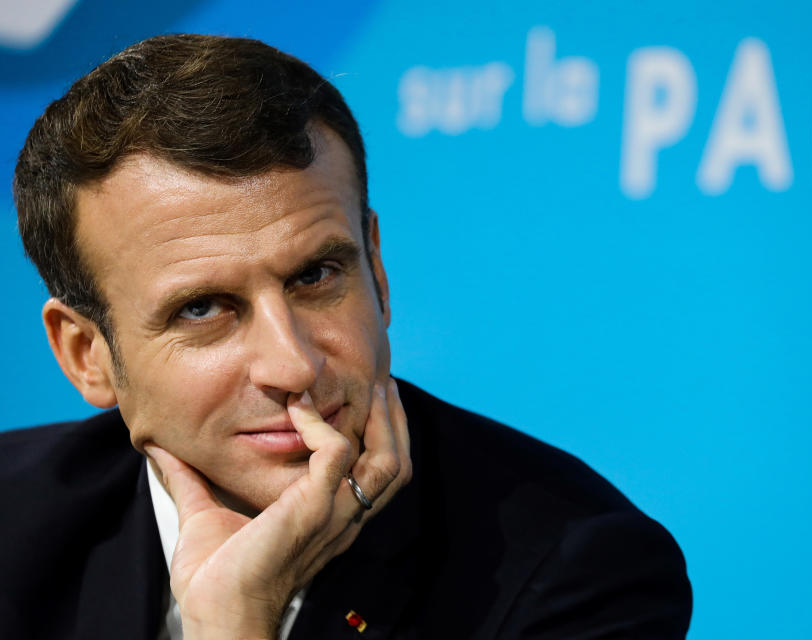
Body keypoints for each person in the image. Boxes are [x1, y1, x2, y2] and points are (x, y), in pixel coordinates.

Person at [1, 34, 692, 639]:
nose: (293, 364)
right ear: (85, 355)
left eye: (316, 276)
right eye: (203, 309)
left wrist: (238, 623)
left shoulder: (576, 570)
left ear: (377, 270)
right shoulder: (14, 523)